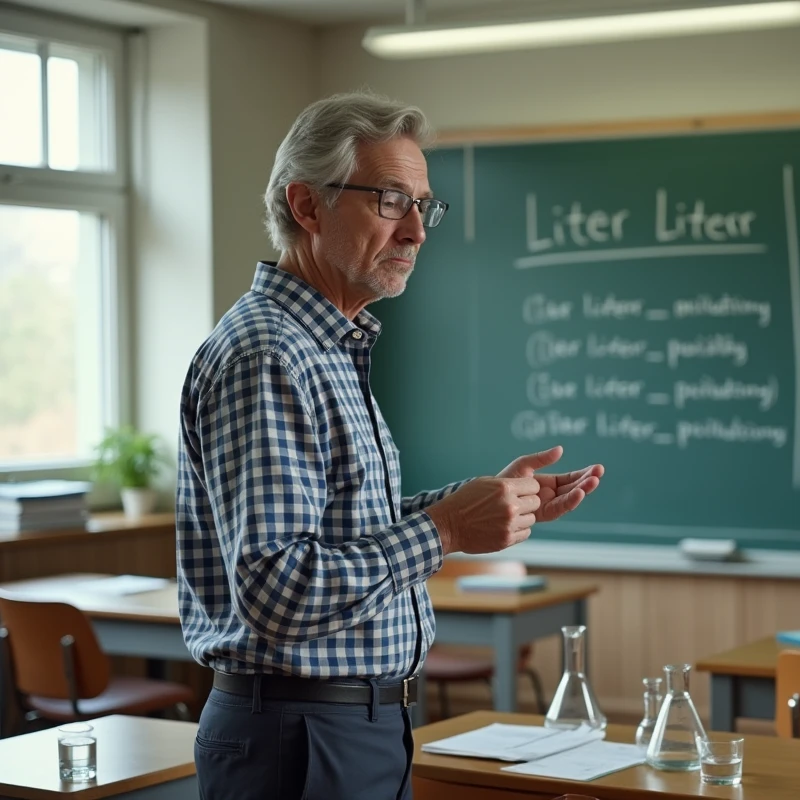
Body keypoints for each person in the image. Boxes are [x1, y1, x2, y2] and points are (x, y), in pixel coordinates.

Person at [175, 92, 603, 800]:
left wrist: (483, 503)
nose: (417, 232)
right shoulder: (270, 354)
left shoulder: (325, 346)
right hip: (302, 734)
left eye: (424, 206)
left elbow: (341, 525)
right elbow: (278, 588)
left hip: (352, 725)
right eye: (390, 201)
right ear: (307, 207)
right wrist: (446, 529)